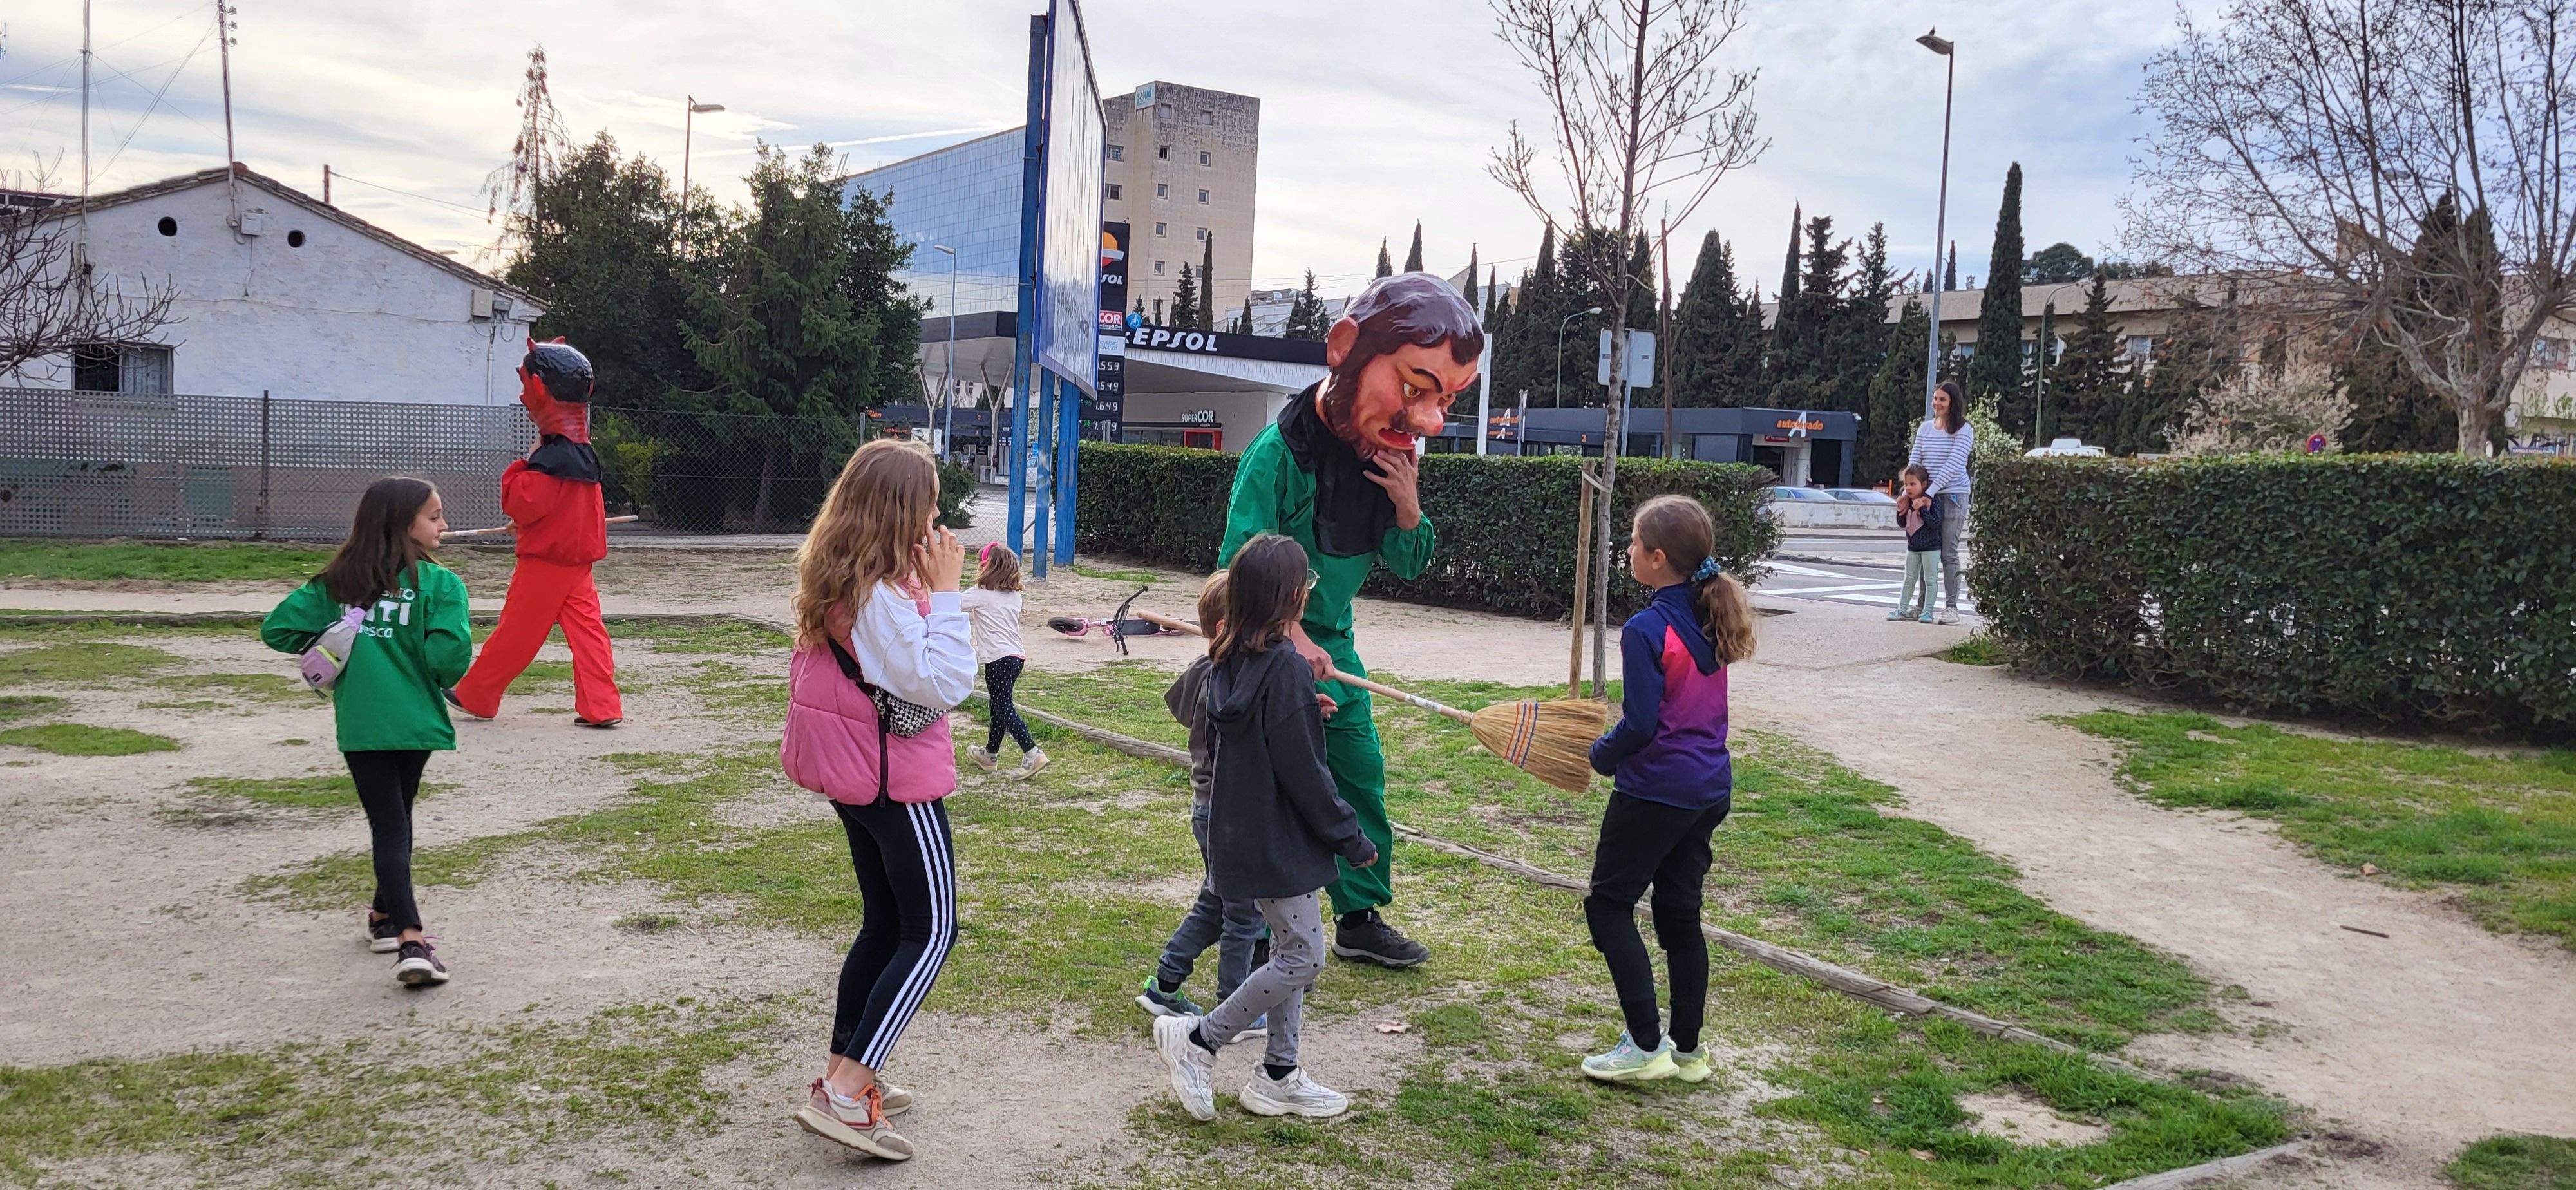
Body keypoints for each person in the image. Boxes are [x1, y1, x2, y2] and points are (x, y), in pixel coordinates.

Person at [1215, 272, 1484, 969]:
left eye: (1446, 401)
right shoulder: (1274, 457)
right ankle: (1242, 925)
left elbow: (1410, 561)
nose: (1427, 420)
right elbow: (1231, 572)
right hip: (1262, 647)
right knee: (1267, 790)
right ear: (1345, 350)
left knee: (1359, 772)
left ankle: (1360, 917)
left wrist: (1408, 505)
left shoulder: (1391, 454)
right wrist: (1289, 639)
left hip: (1335, 647)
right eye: (1415, 388)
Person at [780, 439, 976, 1163]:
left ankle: (842, 1071)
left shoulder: (850, 578)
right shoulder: (881, 599)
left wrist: (932, 588)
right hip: (895, 782)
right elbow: (943, 681)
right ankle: (847, 1090)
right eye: (929, 504)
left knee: (886, 924)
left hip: (859, 777)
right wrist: (951, 592)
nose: (938, 517)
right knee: (932, 933)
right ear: (903, 514)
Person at [1152, 534, 1379, 1121]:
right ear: (1294, 598)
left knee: (1286, 947)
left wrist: (1306, 710)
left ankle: (1279, 1073)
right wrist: (1351, 837)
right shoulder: (1285, 667)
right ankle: (1200, 1040)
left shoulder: (1229, 655)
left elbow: (1260, 733)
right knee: (1304, 956)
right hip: (1278, 836)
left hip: (1244, 828)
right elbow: (1304, 774)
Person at [261, 477, 473, 987]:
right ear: (405, 525)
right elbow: (449, 658)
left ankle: (383, 918)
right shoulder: (442, 586)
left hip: (361, 723)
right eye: (435, 516)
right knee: (395, 824)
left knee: (392, 821)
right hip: (416, 721)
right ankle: (412, 940)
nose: (444, 525)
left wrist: (336, 635)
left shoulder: (338, 584)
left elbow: (277, 629)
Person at [1578, 495, 1757, 1084]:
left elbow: (1641, 724)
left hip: (1655, 793)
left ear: (1657, 559)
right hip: (1708, 790)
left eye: (1633, 543)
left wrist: (1598, 756)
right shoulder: (1711, 613)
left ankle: (1644, 1043)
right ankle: (1686, 1050)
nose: (1626, 550)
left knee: (1608, 906)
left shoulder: (1647, 627)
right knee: (1680, 915)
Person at [447, 339, 623, 727]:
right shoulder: (582, 452)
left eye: (525, 385)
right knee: (588, 634)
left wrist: (522, 465)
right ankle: (602, 706)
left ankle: (478, 695)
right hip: (577, 559)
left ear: (540, 390)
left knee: (518, 631)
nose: (523, 395)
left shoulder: (548, 458)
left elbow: (522, 502)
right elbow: (568, 508)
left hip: (548, 560)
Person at [1136, 571, 1271, 1034]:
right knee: (1243, 915)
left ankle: (1164, 986)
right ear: (1225, 628)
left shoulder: (1201, 669)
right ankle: (1236, 1007)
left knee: (1215, 902)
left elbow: (1177, 707)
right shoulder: (1231, 679)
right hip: (1228, 814)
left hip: (1206, 809)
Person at [961, 544, 1048, 777]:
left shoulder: (980, 593)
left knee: (1004, 707)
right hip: (1016, 658)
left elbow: (951, 605)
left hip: (997, 659)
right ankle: (990, 754)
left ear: (987, 568)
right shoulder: (1015, 597)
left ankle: (1033, 753)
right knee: (998, 705)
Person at [1907, 379, 1975, 625]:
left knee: (1948, 552)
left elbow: (1954, 464)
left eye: (1942, 399)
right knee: (1927, 551)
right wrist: (1909, 494)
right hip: (1927, 498)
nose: (1937, 403)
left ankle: (1952, 607)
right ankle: (1924, 607)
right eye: (1935, 398)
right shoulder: (1925, 429)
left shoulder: (1964, 430)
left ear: (1953, 403)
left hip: (1952, 496)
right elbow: (1915, 461)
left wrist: (1930, 493)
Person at [1889, 464, 1943, 624]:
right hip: (1913, 547)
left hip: (1931, 547)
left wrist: (1923, 510)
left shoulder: (1931, 501)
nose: (1909, 488)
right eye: (1906, 484)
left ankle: (1927, 612)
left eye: (1913, 484)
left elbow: (1935, 523)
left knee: (1930, 580)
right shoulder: (1908, 501)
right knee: (1909, 579)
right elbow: (1902, 523)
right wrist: (1900, 511)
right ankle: (1902, 610)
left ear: (1924, 485)